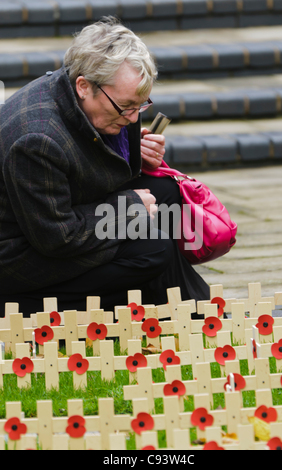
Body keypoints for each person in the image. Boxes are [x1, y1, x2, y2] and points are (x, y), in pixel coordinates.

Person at [0, 17, 209, 318]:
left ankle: (189, 308)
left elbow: (81, 164)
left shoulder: (78, 93)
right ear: (85, 86)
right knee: (153, 248)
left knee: (165, 195)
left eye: (141, 105)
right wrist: (129, 208)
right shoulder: (38, 139)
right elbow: (58, 238)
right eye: (126, 107)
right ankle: (30, 308)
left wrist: (133, 152)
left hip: (51, 221)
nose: (135, 118)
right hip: (18, 256)